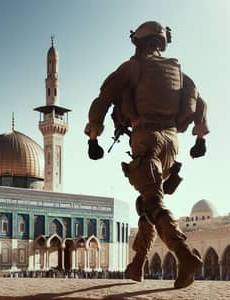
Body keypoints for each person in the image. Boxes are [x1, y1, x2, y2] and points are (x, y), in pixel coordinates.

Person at [84, 21, 209, 289]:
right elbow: (200, 103)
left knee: (152, 203)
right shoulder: (177, 71)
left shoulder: (133, 67)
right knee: (147, 204)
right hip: (171, 143)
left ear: (138, 42)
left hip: (146, 138)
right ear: (161, 42)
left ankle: (185, 256)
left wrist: (93, 138)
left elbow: (103, 100)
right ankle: (138, 263)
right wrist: (200, 139)